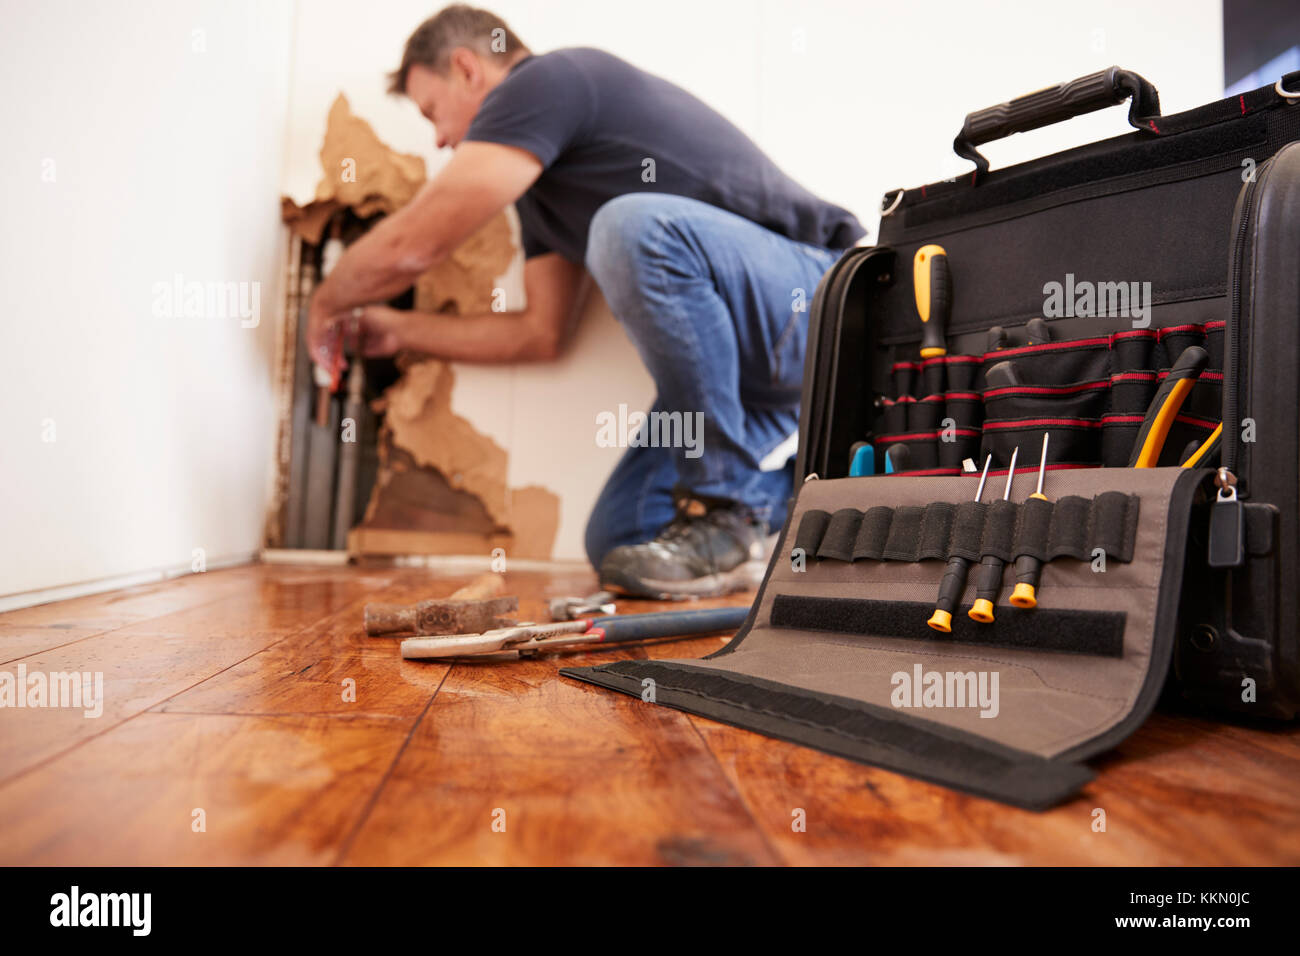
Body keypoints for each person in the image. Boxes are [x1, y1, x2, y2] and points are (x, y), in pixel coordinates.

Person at [307, 4, 864, 599]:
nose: (441, 140)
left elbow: (420, 242)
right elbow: (540, 333)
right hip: (748, 379)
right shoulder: (539, 196)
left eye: (432, 113)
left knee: (628, 227)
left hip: (819, 303)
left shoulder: (548, 82)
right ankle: (832, 501)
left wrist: (325, 303)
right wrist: (397, 330)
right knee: (623, 535)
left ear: (468, 69)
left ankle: (724, 511)